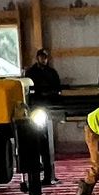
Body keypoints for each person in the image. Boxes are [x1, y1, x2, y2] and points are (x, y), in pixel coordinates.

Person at [24, 45, 62, 185]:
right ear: (38, 58)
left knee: (47, 144)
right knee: (39, 144)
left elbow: (57, 89)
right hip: (36, 110)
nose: (43, 59)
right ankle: (40, 175)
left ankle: (48, 175)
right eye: (41, 57)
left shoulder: (52, 72)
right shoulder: (31, 73)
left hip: (48, 110)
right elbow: (29, 92)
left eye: (45, 57)